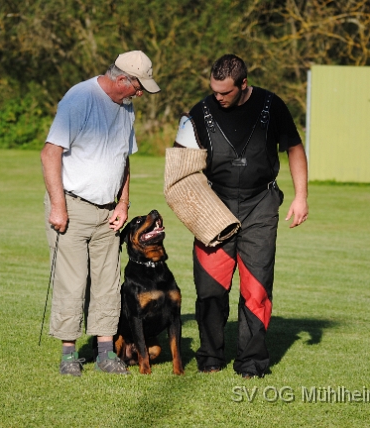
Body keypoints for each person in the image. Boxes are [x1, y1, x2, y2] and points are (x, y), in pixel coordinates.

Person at [187, 54, 308, 379]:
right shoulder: (200, 112)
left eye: (225, 92)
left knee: (256, 288)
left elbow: (294, 148)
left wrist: (301, 197)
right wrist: (190, 206)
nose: (218, 97)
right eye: (214, 90)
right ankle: (210, 357)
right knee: (210, 288)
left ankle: (251, 363)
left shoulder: (272, 106)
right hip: (214, 205)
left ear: (243, 84)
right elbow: (181, 165)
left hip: (260, 204)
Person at [40, 50, 161, 376]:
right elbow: (50, 153)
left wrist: (123, 205)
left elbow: (124, 160)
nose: (140, 94)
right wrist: (58, 207)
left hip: (109, 212)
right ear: (122, 78)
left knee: (109, 284)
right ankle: (69, 355)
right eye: (138, 87)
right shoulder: (79, 99)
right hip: (72, 207)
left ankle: (107, 353)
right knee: (73, 282)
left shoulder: (127, 109)